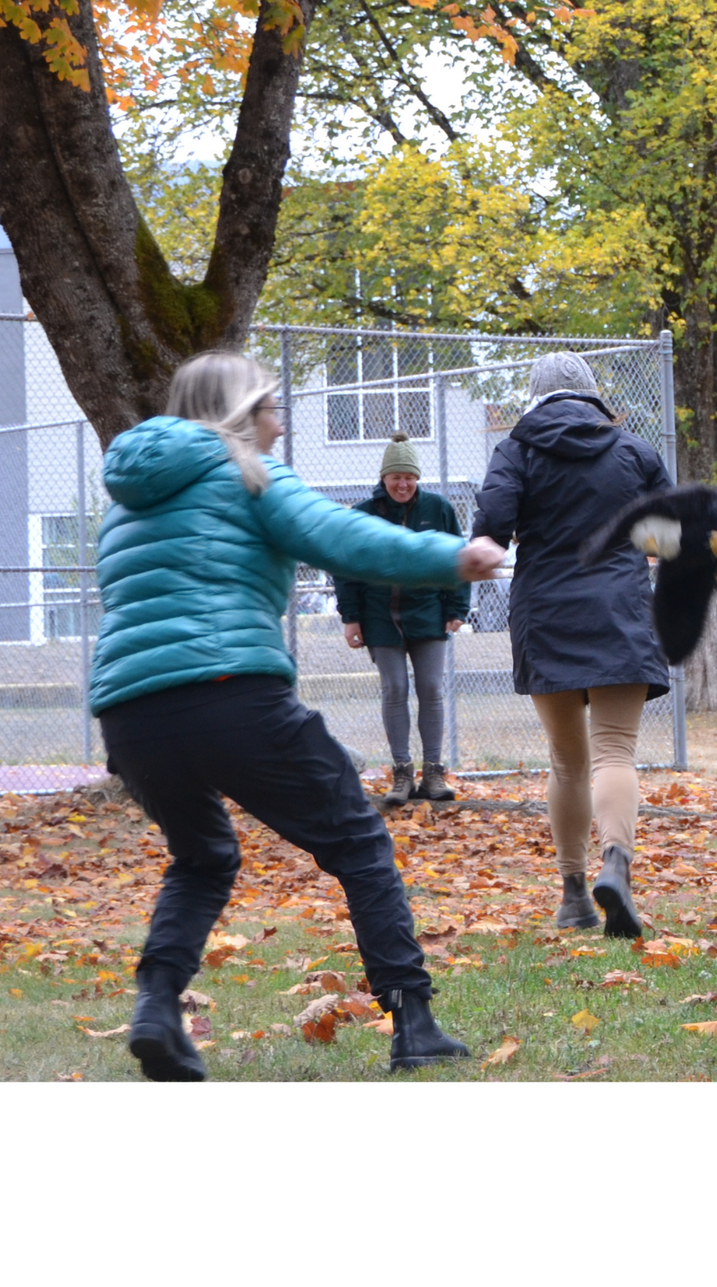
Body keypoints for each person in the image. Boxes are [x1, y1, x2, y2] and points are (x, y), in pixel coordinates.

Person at [94, 351, 506, 1080]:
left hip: (130, 715)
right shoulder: (247, 471)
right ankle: (412, 1018)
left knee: (203, 857)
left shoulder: (127, 501)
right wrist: (454, 557)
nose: (279, 423)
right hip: (231, 693)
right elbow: (343, 537)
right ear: (240, 414)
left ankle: (157, 1007)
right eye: (272, 407)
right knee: (357, 841)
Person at [471, 351, 672, 937]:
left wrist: (484, 542)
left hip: (547, 611)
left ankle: (573, 895)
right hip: (619, 611)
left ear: (536, 397)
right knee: (614, 751)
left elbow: (494, 522)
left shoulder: (516, 448)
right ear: (591, 395)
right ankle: (617, 864)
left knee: (567, 758)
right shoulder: (632, 450)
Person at [335, 434, 469, 803]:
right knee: (394, 688)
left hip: (428, 612)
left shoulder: (438, 509)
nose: (402, 484)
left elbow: (457, 556)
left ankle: (434, 775)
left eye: (409, 476)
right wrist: (352, 618)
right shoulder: (363, 515)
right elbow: (346, 568)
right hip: (380, 616)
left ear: (417, 478)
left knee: (431, 688)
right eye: (395, 476)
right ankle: (402, 774)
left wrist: (457, 607)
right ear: (384, 478)